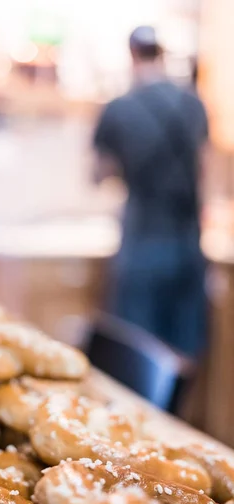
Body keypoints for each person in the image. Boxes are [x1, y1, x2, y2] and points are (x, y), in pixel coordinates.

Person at [92, 26, 209, 358]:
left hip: (142, 240)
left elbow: (101, 174)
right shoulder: (193, 104)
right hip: (187, 240)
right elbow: (203, 169)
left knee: (137, 348)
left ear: (131, 55)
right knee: (183, 350)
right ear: (161, 54)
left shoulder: (118, 108)